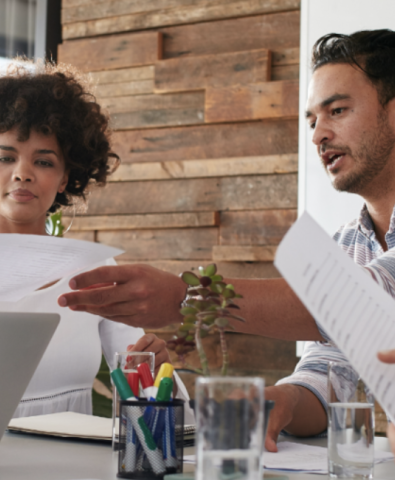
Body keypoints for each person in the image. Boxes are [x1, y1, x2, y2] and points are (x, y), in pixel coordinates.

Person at [57, 29, 395, 452]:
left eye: (337, 111)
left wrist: (187, 297)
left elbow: (364, 301)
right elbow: (331, 372)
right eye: (312, 120)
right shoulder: (346, 243)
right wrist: (286, 399)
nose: (317, 135)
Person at [0, 61, 195, 421]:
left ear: (64, 178)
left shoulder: (95, 271)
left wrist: (152, 376)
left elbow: (164, 416)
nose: (23, 174)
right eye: (5, 158)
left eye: (43, 162)